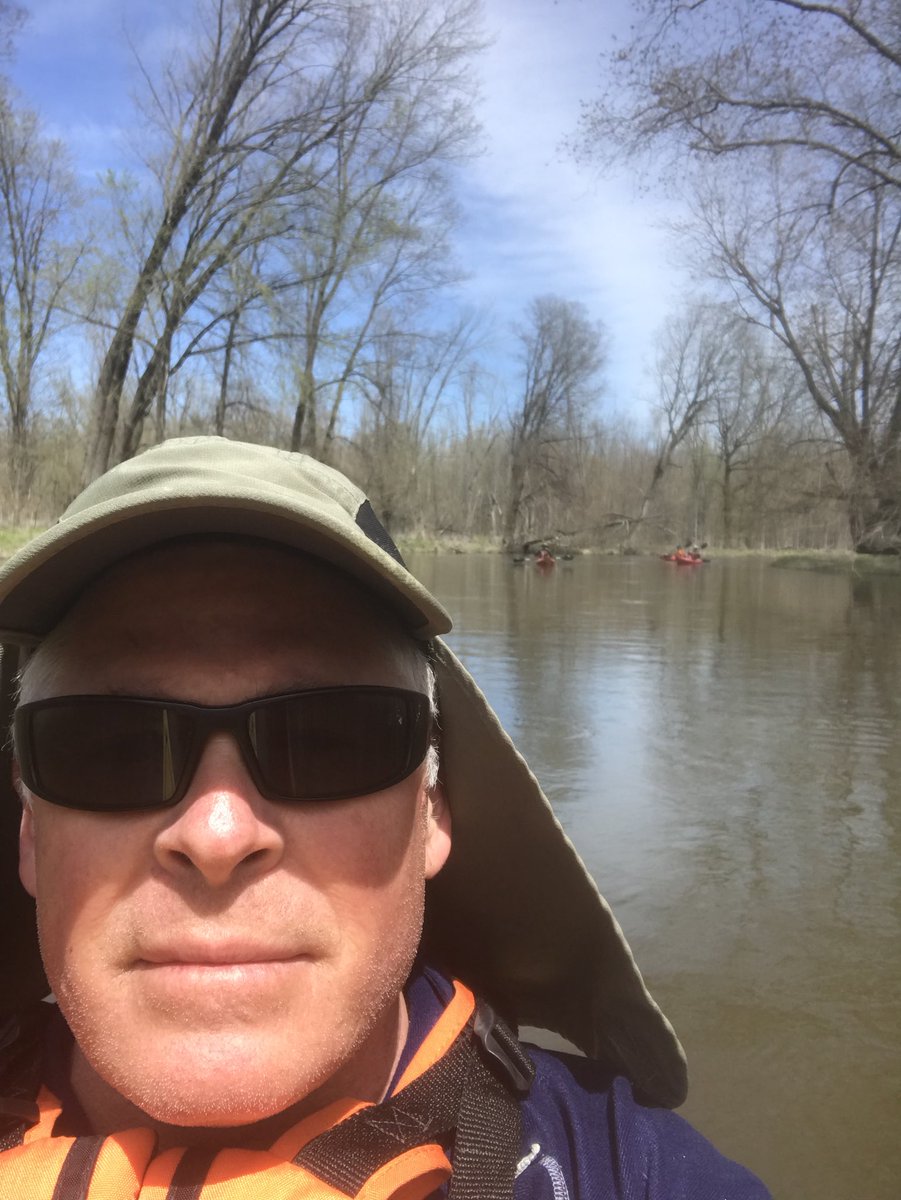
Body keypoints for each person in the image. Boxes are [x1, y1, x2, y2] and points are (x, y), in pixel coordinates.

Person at [0, 437, 770, 1198]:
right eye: (106, 749)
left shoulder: (634, 1174)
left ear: (431, 810)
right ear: (30, 829)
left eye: (332, 741)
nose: (217, 836)